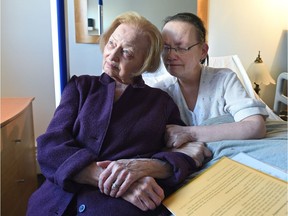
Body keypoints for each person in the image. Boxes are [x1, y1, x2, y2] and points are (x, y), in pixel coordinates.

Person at [27, 12, 211, 216]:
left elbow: (181, 157)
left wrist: (144, 169)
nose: (112, 56)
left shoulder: (160, 103)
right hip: (56, 201)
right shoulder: (80, 87)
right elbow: (50, 148)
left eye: (127, 53)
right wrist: (115, 182)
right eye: (112, 44)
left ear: (145, 62)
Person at [155, 12, 268, 148]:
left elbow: (256, 127)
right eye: (165, 48)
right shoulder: (160, 91)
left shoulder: (225, 80)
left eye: (181, 47)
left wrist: (190, 133)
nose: (170, 55)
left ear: (203, 51)